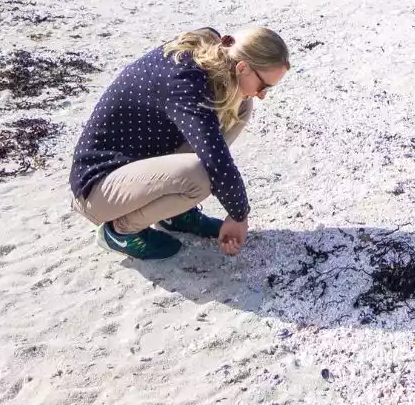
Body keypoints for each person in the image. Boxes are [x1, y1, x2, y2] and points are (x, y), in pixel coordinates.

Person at [68, 26, 291, 260]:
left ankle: (175, 214)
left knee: (240, 106)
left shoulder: (214, 53)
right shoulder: (185, 82)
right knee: (201, 175)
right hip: (97, 187)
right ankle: (120, 231)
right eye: (264, 86)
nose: (263, 94)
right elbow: (216, 161)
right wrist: (239, 216)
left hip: (138, 160)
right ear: (243, 67)